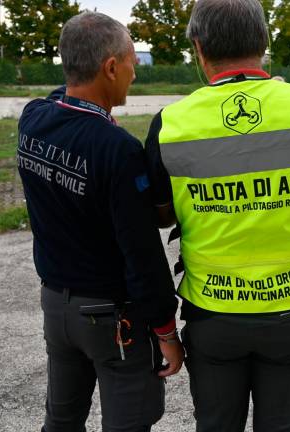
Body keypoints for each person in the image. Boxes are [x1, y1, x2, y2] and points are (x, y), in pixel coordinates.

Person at [144, 0, 290, 430]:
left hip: (213, 312)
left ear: (199, 48)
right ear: (264, 42)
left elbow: (162, 216)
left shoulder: (171, 122)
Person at [17, 11, 183, 432]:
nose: (135, 74)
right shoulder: (118, 151)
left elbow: (66, 93)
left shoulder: (33, 118)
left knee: (61, 419)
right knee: (129, 423)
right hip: (111, 318)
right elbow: (141, 252)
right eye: (131, 62)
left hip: (57, 307)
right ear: (110, 67)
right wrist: (166, 330)